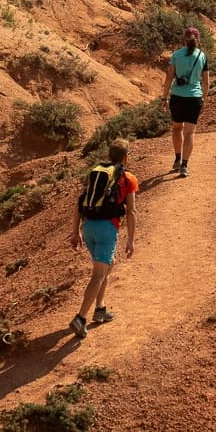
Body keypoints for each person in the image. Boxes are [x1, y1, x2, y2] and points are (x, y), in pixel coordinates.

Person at [70, 141, 138, 341]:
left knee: (108, 266)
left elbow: (79, 203)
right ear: (125, 157)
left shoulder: (96, 173)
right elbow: (132, 211)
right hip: (107, 229)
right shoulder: (128, 178)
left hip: (89, 227)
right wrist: (131, 240)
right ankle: (80, 318)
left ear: (110, 155)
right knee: (99, 274)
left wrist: (75, 232)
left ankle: (99, 310)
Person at [163, 26, 209, 177]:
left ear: (184, 39)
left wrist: (164, 97)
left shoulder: (176, 55)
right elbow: (206, 82)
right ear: (199, 40)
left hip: (177, 97)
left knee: (177, 128)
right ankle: (184, 165)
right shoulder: (202, 56)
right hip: (194, 98)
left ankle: (177, 159)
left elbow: (169, 77)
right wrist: (204, 99)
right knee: (189, 132)